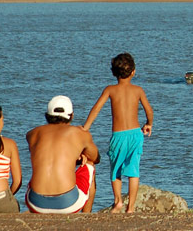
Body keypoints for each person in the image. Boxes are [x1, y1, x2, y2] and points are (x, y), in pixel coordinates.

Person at [82, 52, 154, 213]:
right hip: (136, 134)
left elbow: (96, 108)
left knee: (116, 170)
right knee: (133, 171)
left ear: (113, 72)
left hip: (119, 135)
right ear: (133, 72)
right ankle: (131, 207)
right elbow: (149, 110)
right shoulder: (138, 90)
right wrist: (148, 124)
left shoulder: (110, 90)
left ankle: (118, 201)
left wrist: (86, 127)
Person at [25, 95, 100, 213]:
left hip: (35, 203)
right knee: (89, 164)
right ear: (72, 116)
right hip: (67, 203)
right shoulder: (79, 133)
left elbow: (50, 154)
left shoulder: (32, 134)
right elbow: (95, 158)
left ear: (47, 116)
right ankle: (86, 217)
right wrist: (80, 156)